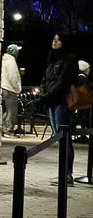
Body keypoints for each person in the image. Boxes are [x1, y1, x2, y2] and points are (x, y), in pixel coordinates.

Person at [40, 32, 78, 185]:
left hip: (61, 103)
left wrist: (48, 94)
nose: (55, 41)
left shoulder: (69, 60)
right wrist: (43, 93)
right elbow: (45, 79)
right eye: (53, 39)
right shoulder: (52, 59)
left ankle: (67, 174)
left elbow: (63, 82)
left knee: (64, 138)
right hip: (51, 102)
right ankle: (63, 173)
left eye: (58, 39)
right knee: (59, 137)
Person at [1, 44, 22, 137]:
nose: (18, 52)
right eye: (17, 50)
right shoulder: (11, 61)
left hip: (4, 87)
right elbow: (12, 76)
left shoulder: (4, 60)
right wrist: (17, 88)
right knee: (11, 111)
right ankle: (8, 130)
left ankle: (2, 128)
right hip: (10, 89)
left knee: (7, 111)